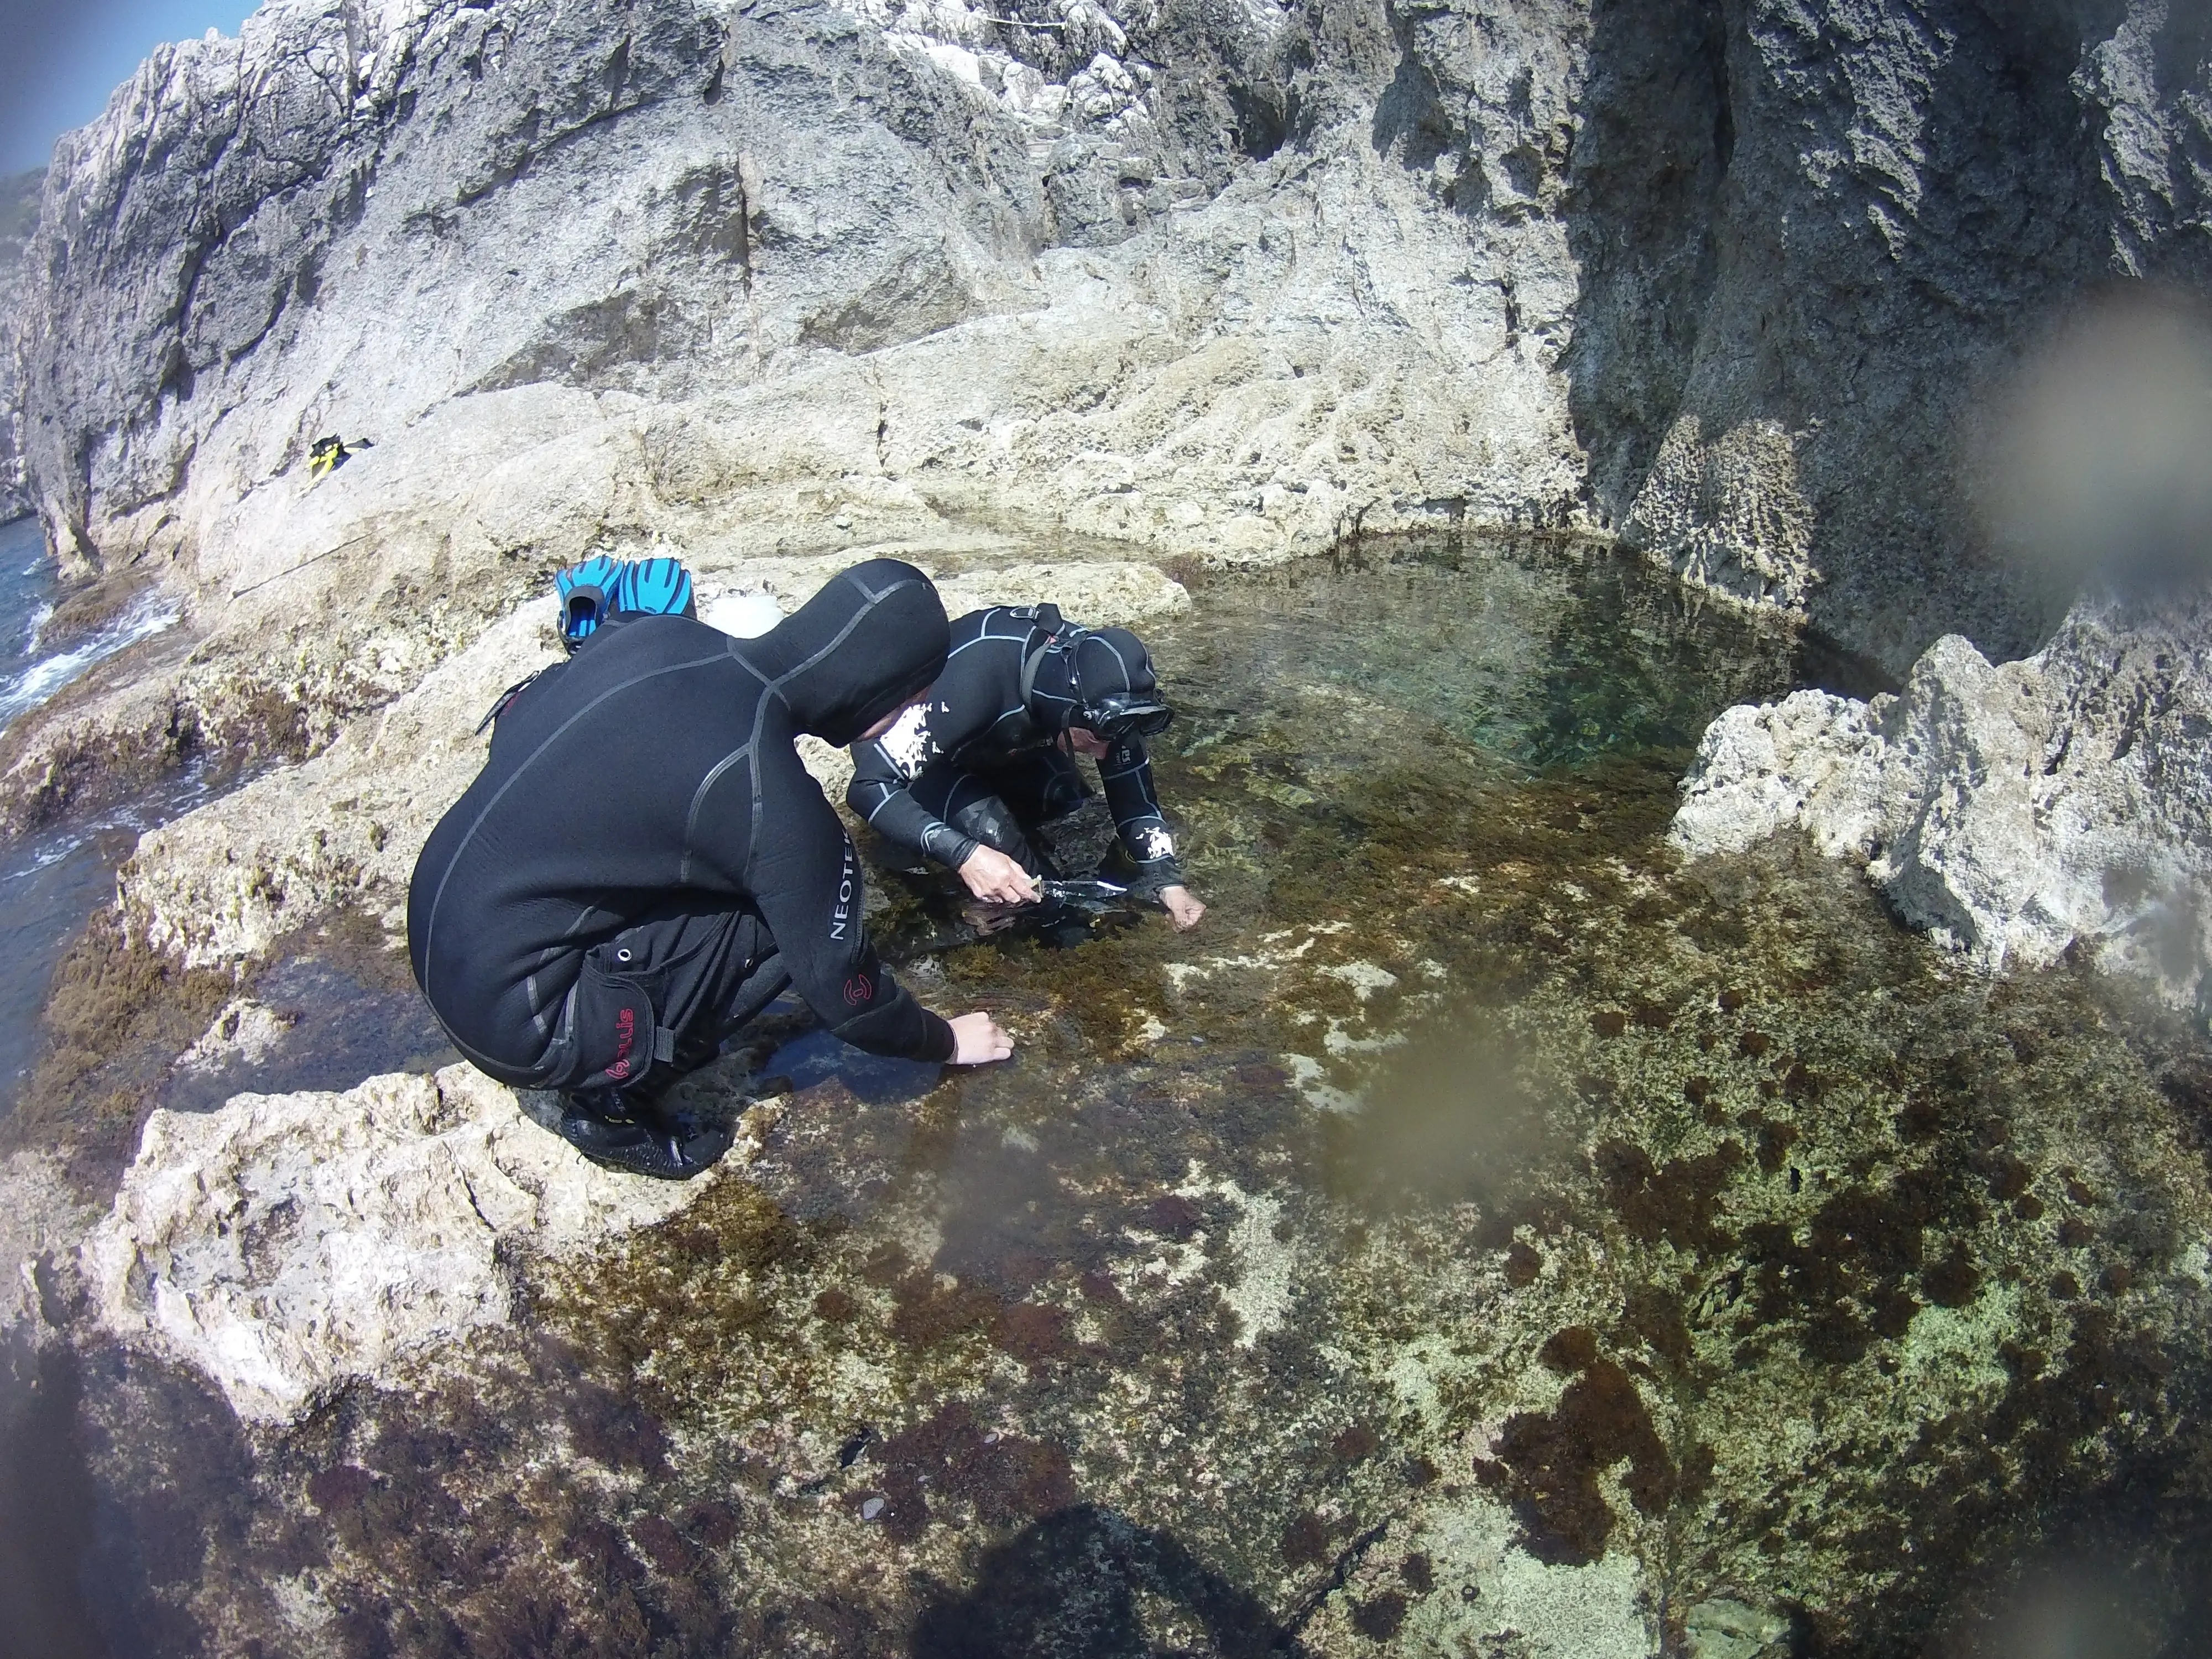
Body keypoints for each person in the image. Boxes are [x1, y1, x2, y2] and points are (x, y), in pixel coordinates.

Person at [407, 558, 1014, 1181]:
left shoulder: (658, 634)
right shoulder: (765, 791)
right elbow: (848, 999)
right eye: (912, 701)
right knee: (785, 918)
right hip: (523, 1026)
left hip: (438, 934)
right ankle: (614, 1098)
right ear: (876, 696)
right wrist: (942, 1040)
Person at [846, 603, 1206, 930]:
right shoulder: (974, 687)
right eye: (1096, 739)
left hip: (1000, 745)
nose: (1103, 753)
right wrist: (965, 856)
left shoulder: (1105, 702)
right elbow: (868, 786)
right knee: (1021, 875)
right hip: (920, 755)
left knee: (1073, 806)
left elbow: (1136, 802)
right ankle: (964, 912)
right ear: (1066, 710)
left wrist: (1168, 884)